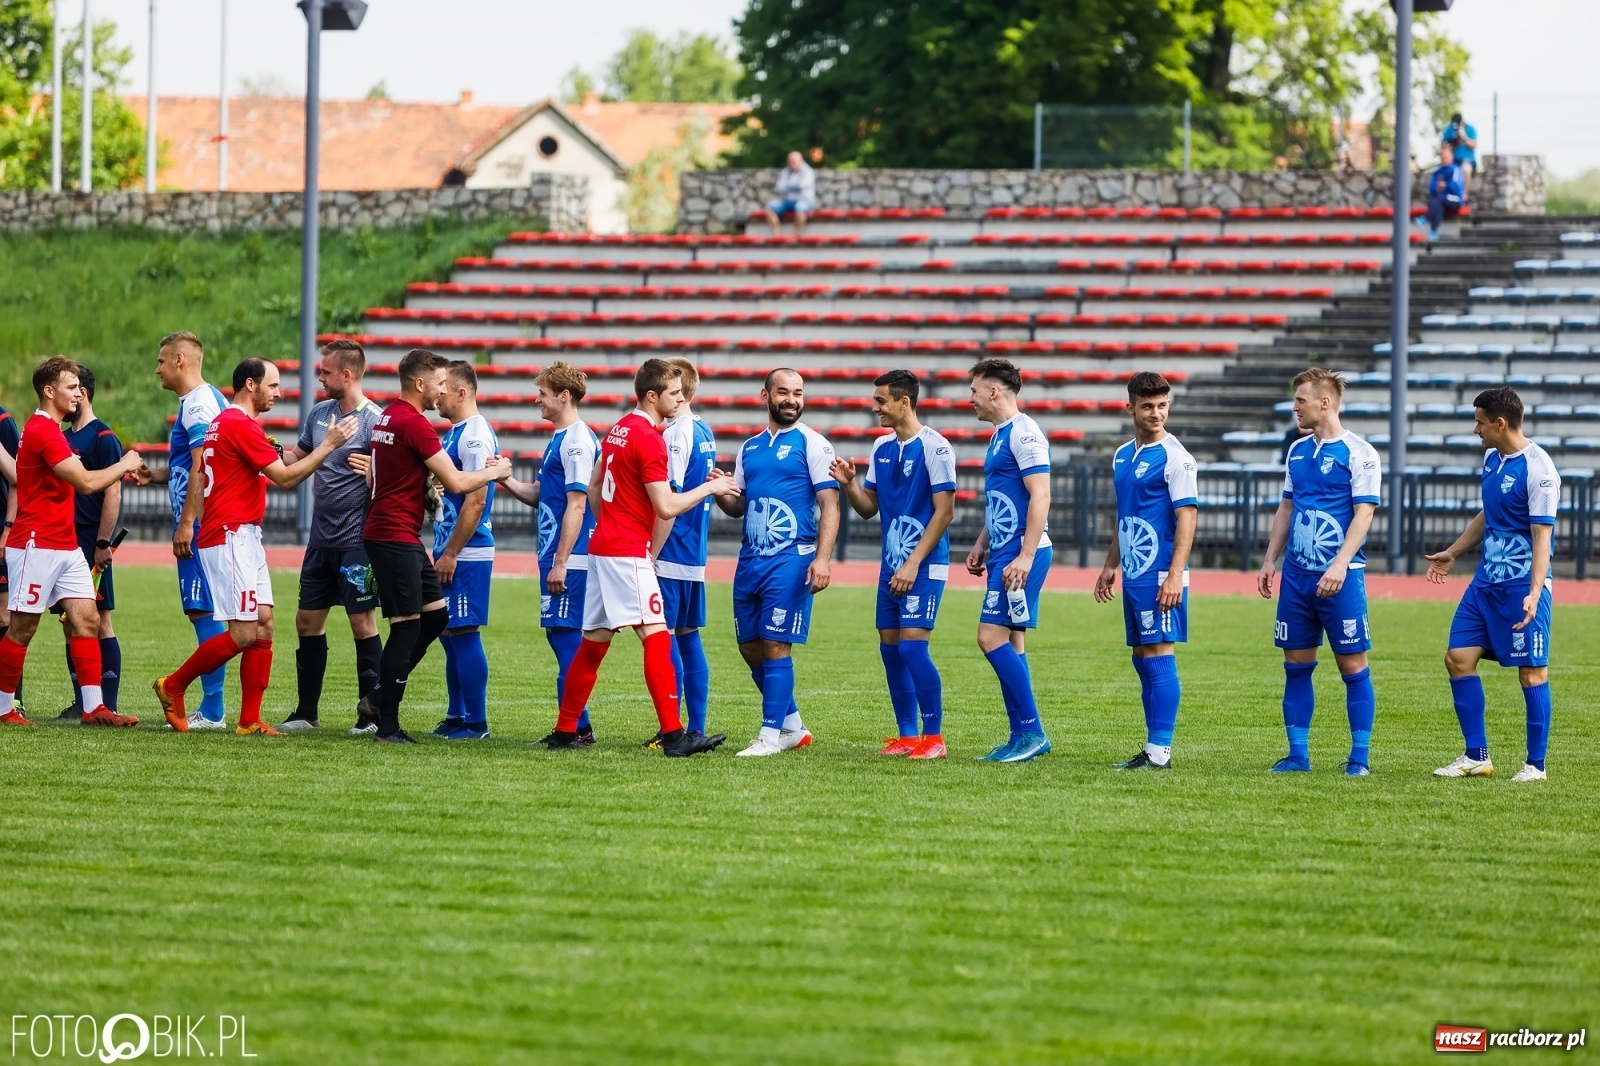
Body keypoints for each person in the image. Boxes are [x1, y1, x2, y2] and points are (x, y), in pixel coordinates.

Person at [539, 359, 740, 756]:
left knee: (593, 643)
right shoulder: (649, 437)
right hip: (627, 552)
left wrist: (610, 521)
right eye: (674, 394)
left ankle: (565, 731)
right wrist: (709, 489)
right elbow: (665, 506)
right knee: (658, 638)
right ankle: (674, 736)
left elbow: (596, 484)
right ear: (653, 396)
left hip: (602, 548)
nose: (680, 401)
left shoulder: (618, 429)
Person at [153, 360, 356, 734]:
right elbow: (285, 478)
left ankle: (249, 720)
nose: (279, 393)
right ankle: (174, 685)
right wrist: (329, 444)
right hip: (230, 535)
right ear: (251, 385)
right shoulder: (238, 424)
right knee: (244, 632)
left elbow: (204, 474)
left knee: (263, 625)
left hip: (243, 534)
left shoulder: (224, 424)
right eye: (273, 385)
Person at [360, 349, 511, 745]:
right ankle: (388, 723)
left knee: (438, 620)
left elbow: (379, 477)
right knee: (410, 627)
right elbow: (462, 485)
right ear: (420, 384)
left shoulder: (389, 416)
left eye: (448, 385)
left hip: (405, 535)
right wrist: (498, 470)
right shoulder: (417, 424)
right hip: (395, 535)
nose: (443, 392)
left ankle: (382, 700)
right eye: (439, 384)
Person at [0, 358, 149, 729]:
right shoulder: (42, 431)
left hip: (64, 545)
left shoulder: (54, 432)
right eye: (70, 386)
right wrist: (125, 461)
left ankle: (94, 707)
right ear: (49, 392)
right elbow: (85, 482)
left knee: (87, 619)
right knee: (22, 627)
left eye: (79, 386)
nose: (77, 392)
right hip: (35, 544)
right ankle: (3, 708)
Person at [1426, 387, 1559, 782]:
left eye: (1480, 423)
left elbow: (1541, 537)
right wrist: (1454, 552)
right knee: (1457, 658)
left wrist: (1535, 592)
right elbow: (1490, 514)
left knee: (1532, 673)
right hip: (1485, 584)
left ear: (1500, 423)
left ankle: (1535, 765)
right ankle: (1476, 756)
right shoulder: (1492, 459)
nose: (1476, 430)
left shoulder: (1539, 470)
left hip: (1520, 586)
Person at [1256, 368, 1381, 777]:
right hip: (1297, 577)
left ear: (1323, 403)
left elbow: (1364, 513)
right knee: (1296, 664)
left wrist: (1341, 564)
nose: (1295, 407)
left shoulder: (1360, 453)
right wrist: (1270, 559)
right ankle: (1297, 755)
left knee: (1352, 666)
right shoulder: (1296, 451)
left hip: (1341, 578)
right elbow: (1287, 508)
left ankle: (1359, 759)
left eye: (1300, 401)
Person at [714, 368, 840, 758]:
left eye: (798, 393)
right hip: (750, 559)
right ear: (765, 394)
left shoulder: (814, 444)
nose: (792, 400)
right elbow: (740, 506)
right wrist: (720, 492)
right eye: (783, 392)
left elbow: (830, 504)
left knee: (775, 644)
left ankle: (769, 736)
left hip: (792, 558)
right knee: (749, 646)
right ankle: (792, 727)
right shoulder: (750, 448)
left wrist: (822, 559)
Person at [831, 370, 956, 760]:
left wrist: (914, 563)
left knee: (914, 650)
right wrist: (850, 484)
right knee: (890, 650)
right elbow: (869, 509)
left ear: (905, 402)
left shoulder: (936, 448)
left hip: (923, 564)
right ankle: (907, 735)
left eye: (882, 401)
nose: (875, 408)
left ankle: (933, 737)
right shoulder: (882, 449)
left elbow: (945, 512)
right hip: (892, 565)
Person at [279, 339, 385, 733]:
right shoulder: (320, 413)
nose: (319, 376)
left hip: (357, 541)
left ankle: (369, 716)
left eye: (325, 371)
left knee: (362, 622)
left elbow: (396, 480)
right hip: (320, 539)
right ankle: (307, 713)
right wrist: (266, 452)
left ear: (347, 374)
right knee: (307, 621)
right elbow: (297, 457)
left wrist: (375, 474)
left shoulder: (375, 420)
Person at [1094, 372, 1198, 771]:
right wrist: (1109, 565)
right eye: (1148, 406)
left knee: (1159, 654)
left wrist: (1175, 575)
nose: (1157, 413)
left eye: (1163, 405)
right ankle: (1153, 748)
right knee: (1142, 657)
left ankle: (1160, 752)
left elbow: (1186, 518)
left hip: (1160, 574)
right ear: (1131, 408)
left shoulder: (1177, 458)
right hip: (1135, 573)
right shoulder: (1123, 454)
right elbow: (1127, 517)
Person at [501, 362, 598, 745]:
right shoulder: (560, 438)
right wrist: (504, 477)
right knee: (561, 636)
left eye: (542, 393)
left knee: (567, 639)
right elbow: (541, 493)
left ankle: (574, 727)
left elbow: (576, 505)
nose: (536, 399)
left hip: (571, 558)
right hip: (558, 555)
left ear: (564, 396)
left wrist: (561, 562)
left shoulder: (576, 441)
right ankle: (578, 725)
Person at [965, 358, 1053, 763]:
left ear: (993, 391)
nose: (972, 399)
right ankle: (1020, 736)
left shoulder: (1025, 433)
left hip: (1020, 555)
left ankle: (1033, 732)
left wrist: (1025, 554)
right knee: (1013, 642)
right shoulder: (1001, 434)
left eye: (974, 391)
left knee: (989, 637)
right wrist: (983, 541)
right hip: (1003, 552)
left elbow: (1040, 495)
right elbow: (1005, 497)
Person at [153, 331, 230, 729]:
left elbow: (204, 464)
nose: (158, 369)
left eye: (162, 361)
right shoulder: (205, 399)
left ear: (181, 360)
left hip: (201, 524)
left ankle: (213, 711)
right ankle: (215, 707)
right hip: (208, 520)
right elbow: (193, 463)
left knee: (204, 611)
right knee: (210, 611)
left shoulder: (198, 404)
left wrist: (186, 523)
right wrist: (158, 477)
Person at [430, 361, 498, 740]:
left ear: (462, 392)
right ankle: (457, 716)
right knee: (449, 632)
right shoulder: (455, 433)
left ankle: (476, 722)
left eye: (444, 387)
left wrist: (452, 552)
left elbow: (476, 500)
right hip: (450, 546)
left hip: (467, 550)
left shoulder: (473, 436)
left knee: (465, 630)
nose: (437, 393)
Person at [54, 365, 126, 719]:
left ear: (82, 392)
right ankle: (82, 701)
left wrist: (103, 541)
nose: (69, 394)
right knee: (71, 623)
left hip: (89, 541)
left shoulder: (103, 438)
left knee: (99, 619)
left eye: (72, 387)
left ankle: (106, 703)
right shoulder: (64, 438)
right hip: (64, 541)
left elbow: (113, 491)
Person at [653, 356, 719, 744]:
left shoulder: (676, 433)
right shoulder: (703, 428)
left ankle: (674, 729)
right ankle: (695, 725)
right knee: (688, 636)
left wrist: (651, 552)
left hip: (673, 549)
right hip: (694, 550)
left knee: (667, 637)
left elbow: (671, 498)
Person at [0, 396, 27, 717]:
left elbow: (18, 479)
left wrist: (8, 527)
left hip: (1, 531)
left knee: (6, 619)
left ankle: (11, 698)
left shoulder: (4, 422)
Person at [1416, 143, 1465, 243]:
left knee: (1439, 199)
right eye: (1442, 157)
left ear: (1451, 157)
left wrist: (1445, 186)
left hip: (1455, 199)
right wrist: (1437, 187)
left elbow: (1457, 187)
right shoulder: (1438, 170)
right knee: (1438, 203)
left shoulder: (1455, 169)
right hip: (1441, 199)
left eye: (1446, 157)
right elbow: (1432, 187)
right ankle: (1433, 231)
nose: (1444, 159)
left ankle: (1425, 218)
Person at [764, 151, 817, 236]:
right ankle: (776, 233)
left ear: (801, 161)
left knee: (800, 208)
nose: (792, 163)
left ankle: (796, 233)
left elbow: (801, 186)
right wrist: (791, 187)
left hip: (804, 200)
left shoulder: (808, 172)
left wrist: (787, 187)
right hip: (787, 201)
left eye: (794, 161)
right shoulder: (785, 172)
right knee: (769, 208)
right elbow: (779, 187)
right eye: (790, 161)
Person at [1442, 111, 1478, 197]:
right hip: (1453, 159)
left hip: (1468, 159)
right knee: (1444, 170)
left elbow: (1474, 145)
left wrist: (1463, 136)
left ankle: (1464, 196)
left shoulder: (1470, 129)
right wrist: (1449, 145)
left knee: (1465, 169)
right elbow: (1443, 144)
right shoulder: (1449, 129)